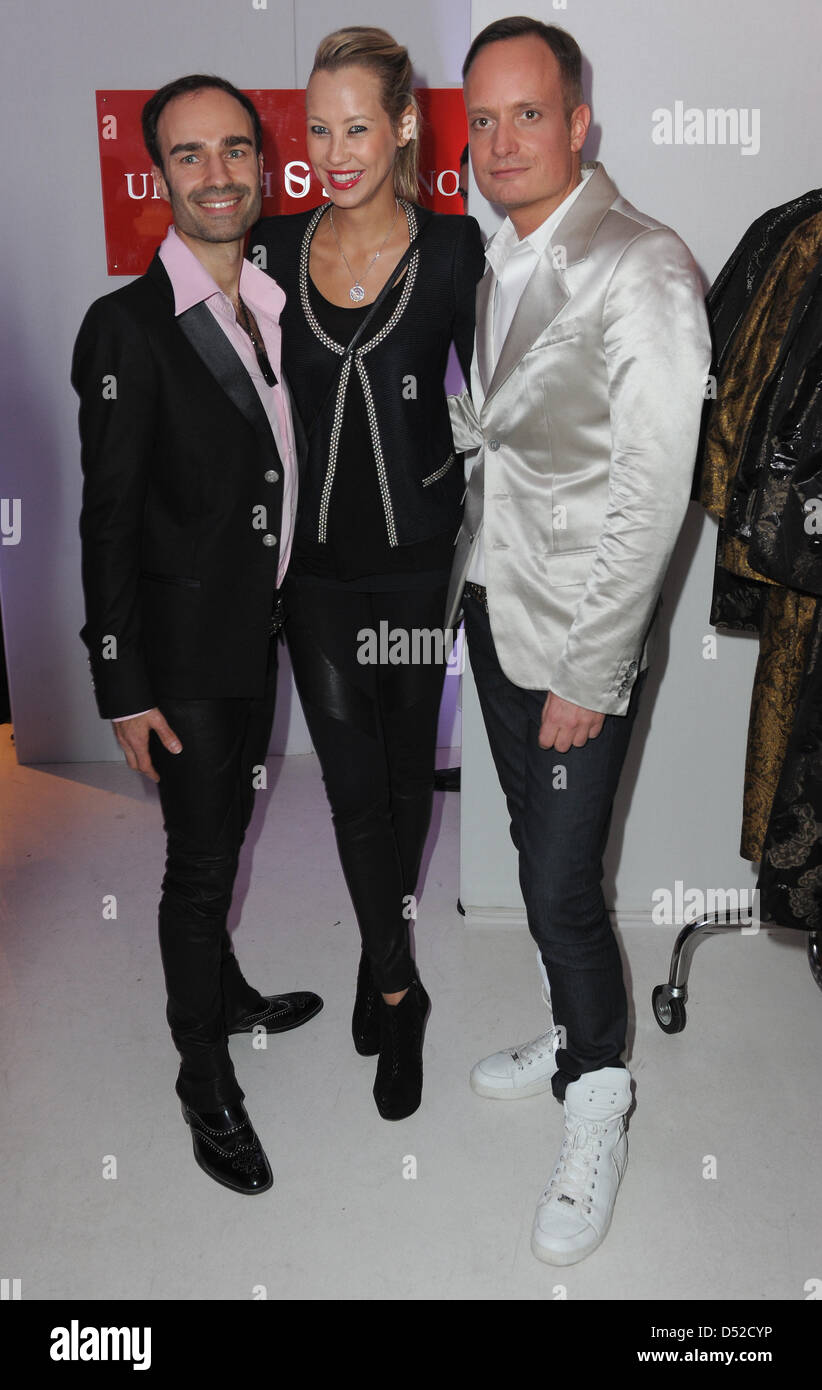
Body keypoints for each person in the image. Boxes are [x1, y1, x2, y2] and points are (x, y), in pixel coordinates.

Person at [446, 18, 711, 1262]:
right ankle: (573, 1019)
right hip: (498, 608)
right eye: (482, 120)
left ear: (580, 123)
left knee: (558, 883)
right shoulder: (508, 251)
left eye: (528, 115)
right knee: (538, 854)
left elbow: (656, 491)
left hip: (574, 642)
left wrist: (591, 672)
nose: (502, 142)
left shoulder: (642, 264)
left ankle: (597, 1089)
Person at [72, 75, 322, 1196]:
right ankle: (202, 1077)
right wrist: (122, 683)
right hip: (178, 657)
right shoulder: (126, 326)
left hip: (251, 632)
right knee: (200, 860)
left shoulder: (272, 301)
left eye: (234, 150)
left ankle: (224, 993)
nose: (217, 174)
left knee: (228, 824)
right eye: (189, 156)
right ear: (157, 176)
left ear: (260, 164)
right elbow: (108, 516)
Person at [250, 26, 485, 1121]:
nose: (336, 151)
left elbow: (504, 400)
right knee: (351, 786)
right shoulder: (274, 249)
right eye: (319, 128)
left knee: (402, 778)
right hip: (318, 569)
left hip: (419, 557)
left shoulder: (455, 254)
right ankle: (400, 990)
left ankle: (373, 950)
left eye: (359, 126)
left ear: (402, 127)